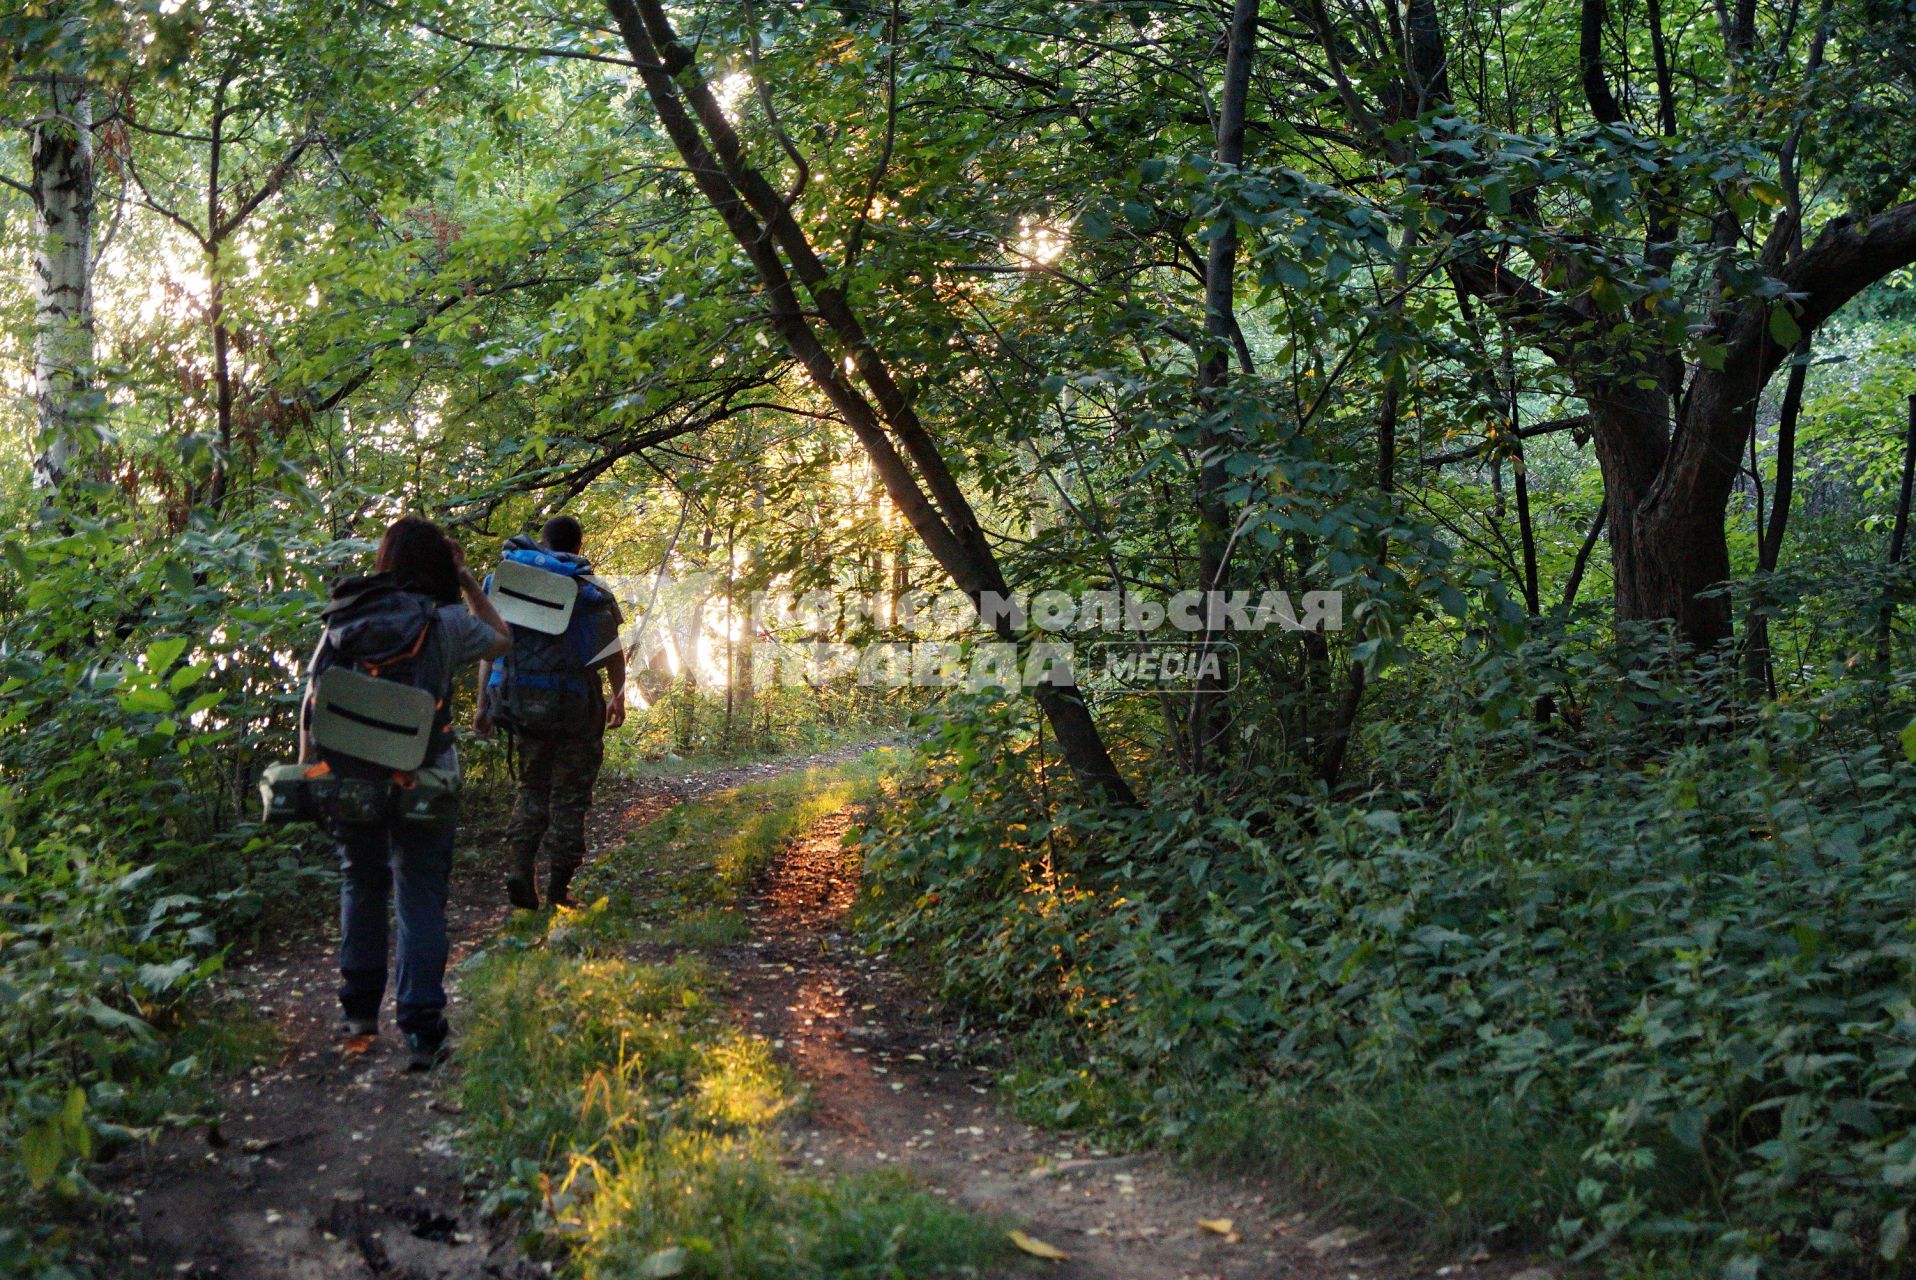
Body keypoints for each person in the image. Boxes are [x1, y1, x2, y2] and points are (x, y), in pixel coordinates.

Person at [300, 516, 510, 1070]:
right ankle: (421, 1030)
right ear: (439, 563)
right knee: (419, 897)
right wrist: (467, 580)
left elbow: (313, 698)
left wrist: (308, 773)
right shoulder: (447, 622)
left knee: (361, 885)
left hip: (350, 776)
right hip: (426, 777)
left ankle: (358, 1018)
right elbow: (504, 638)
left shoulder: (345, 615)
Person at [475, 514, 627, 911]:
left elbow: (489, 649)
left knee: (532, 787)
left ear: (542, 542)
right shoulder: (590, 589)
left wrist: (483, 706)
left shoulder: (509, 583)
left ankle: (520, 869)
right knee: (571, 797)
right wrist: (618, 697)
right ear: (579, 546)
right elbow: (612, 651)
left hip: (523, 705)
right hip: (576, 708)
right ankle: (560, 889)